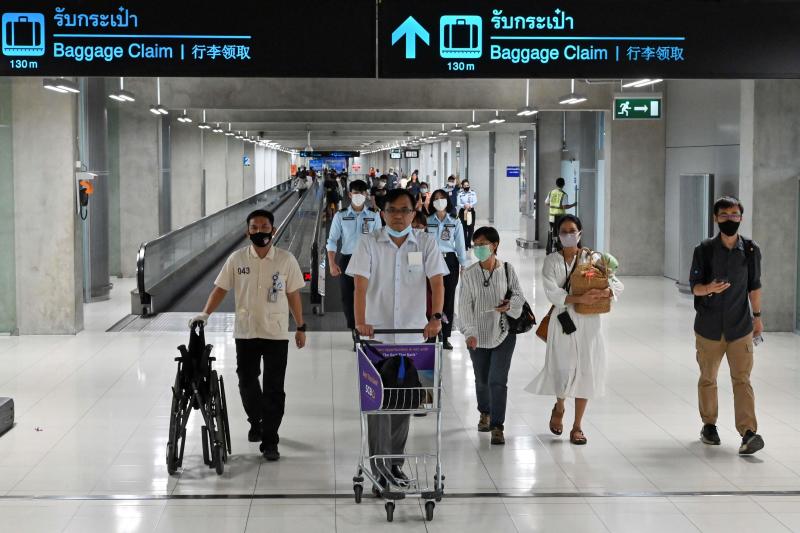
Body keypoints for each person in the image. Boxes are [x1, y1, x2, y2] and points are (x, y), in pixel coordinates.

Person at [346, 188, 448, 495]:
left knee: (403, 404)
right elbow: (360, 287)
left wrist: (436, 317)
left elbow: (437, 282)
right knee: (378, 404)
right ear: (383, 212)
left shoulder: (426, 243)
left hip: (412, 338)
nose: (399, 216)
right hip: (377, 340)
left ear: (414, 212)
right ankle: (380, 465)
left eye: (405, 210)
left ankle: (394, 464)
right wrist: (361, 322)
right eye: (393, 210)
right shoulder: (369, 244)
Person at [191, 209, 306, 461]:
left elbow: (293, 295)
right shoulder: (237, 259)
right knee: (246, 382)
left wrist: (300, 326)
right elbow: (220, 289)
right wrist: (205, 314)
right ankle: (256, 420)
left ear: (273, 231)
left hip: (275, 333)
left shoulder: (285, 260)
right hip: (246, 331)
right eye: (254, 228)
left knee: (274, 388)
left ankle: (270, 439)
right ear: (248, 232)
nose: (259, 231)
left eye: (264, 227)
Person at [525, 214, 623, 446]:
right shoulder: (551, 261)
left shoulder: (594, 258)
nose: (568, 235)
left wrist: (604, 293)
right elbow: (553, 293)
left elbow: (616, 283)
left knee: (586, 371)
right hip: (563, 322)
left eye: (572, 231)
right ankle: (559, 406)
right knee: (563, 370)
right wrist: (580, 297)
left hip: (589, 323)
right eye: (563, 231)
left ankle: (577, 425)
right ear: (558, 235)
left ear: (580, 233)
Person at [689, 196, 764, 455]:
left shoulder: (751, 250)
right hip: (709, 327)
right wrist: (709, 288)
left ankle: (748, 432)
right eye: (724, 215)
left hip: (740, 326)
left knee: (742, 380)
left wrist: (757, 316)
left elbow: (755, 286)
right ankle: (709, 425)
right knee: (708, 378)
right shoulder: (704, 249)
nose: (730, 219)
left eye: (734, 215)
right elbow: (695, 288)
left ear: (741, 218)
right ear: (715, 218)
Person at [459, 227, 525, 445]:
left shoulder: (507, 269)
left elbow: (518, 295)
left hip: (504, 332)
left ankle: (497, 425)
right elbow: (465, 306)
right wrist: (470, 332)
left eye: (483, 244)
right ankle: (484, 412)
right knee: (482, 379)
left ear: (494, 245)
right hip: (477, 335)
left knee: (498, 380)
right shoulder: (469, 274)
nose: (479, 248)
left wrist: (510, 305)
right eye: (476, 244)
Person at [326, 180, 381, 332]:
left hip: (369, 260)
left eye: (362, 193)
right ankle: (355, 329)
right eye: (356, 193)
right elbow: (332, 240)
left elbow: (379, 240)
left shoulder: (374, 216)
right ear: (350, 195)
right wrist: (331, 263)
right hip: (348, 260)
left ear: (366, 195)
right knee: (348, 297)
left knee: (369, 295)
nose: (359, 196)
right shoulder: (341, 215)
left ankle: (368, 327)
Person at [426, 189, 469, 350]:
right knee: (431, 298)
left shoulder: (455, 221)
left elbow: (460, 244)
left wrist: (463, 264)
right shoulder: (428, 220)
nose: (439, 201)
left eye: (442, 198)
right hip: (431, 260)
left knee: (448, 299)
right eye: (435, 199)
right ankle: (431, 334)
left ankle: (445, 336)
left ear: (447, 201)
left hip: (450, 260)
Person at [544, 177, 576, 254]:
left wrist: (553, 206)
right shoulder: (563, 195)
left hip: (551, 218)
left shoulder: (551, 192)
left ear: (556, 184)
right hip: (559, 218)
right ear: (564, 184)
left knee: (552, 232)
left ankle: (550, 248)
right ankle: (558, 250)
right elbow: (565, 207)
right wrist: (574, 204)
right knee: (560, 234)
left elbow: (546, 203)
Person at [457, 180, 478, 249]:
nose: (466, 186)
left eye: (467, 185)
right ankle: (465, 244)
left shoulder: (473, 193)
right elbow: (458, 203)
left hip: (471, 211)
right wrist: (464, 205)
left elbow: (475, 201)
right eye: (465, 185)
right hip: (463, 212)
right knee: (463, 228)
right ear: (462, 186)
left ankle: (469, 243)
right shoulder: (460, 194)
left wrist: (470, 205)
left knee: (471, 228)